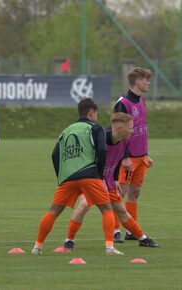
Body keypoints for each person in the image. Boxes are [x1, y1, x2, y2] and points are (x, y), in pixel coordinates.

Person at [31, 98, 123, 256]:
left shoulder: (66, 130)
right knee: (107, 208)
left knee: (53, 211)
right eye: (96, 113)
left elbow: (55, 154)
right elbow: (102, 151)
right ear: (91, 113)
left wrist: (61, 176)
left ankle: (37, 247)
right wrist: (100, 175)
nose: (96, 116)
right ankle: (109, 248)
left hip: (68, 178)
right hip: (90, 175)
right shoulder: (95, 128)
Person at [63, 113, 159, 250]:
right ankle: (69, 241)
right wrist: (98, 180)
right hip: (92, 180)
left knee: (121, 211)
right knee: (84, 205)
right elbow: (89, 161)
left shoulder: (125, 140)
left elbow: (118, 160)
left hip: (108, 181)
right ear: (120, 128)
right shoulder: (100, 139)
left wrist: (114, 179)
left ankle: (143, 239)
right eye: (130, 128)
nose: (133, 131)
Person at [113, 67, 153, 241]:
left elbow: (142, 129)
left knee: (135, 192)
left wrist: (146, 153)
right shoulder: (123, 103)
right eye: (146, 79)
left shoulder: (141, 101)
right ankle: (115, 231)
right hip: (128, 158)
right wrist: (125, 156)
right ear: (138, 81)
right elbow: (118, 131)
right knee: (119, 193)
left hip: (141, 156)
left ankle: (131, 231)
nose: (149, 83)